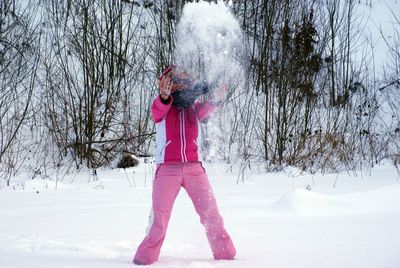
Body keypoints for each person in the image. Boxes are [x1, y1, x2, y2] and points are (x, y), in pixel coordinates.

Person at [133, 66, 236, 265]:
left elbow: (208, 111)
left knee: (211, 214)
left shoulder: (194, 108)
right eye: (175, 81)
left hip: (194, 169)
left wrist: (217, 97)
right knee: (159, 221)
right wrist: (164, 96)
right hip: (167, 171)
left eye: (184, 80)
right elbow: (159, 107)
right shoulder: (161, 107)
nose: (181, 84)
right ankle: (144, 260)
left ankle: (226, 258)